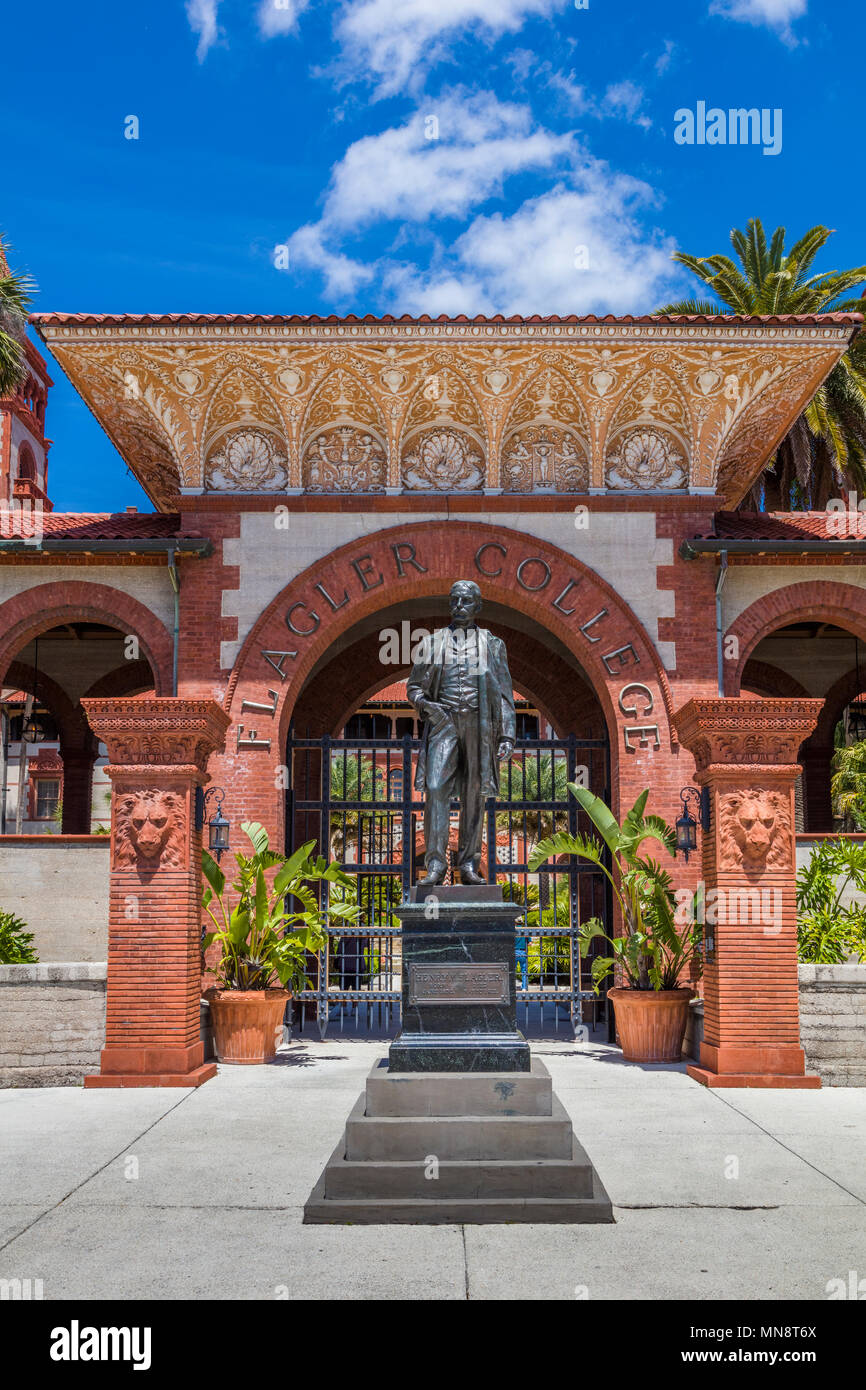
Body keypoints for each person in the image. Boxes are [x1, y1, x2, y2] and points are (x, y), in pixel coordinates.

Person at [407, 580, 515, 886]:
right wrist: (429, 707)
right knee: (435, 787)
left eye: (466, 601)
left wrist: (507, 735)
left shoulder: (493, 644)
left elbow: (505, 693)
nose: (459, 606)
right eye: (454, 600)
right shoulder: (432, 643)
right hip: (444, 723)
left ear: (478, 606)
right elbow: (413, 688)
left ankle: (468, 864)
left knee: (474, 795)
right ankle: (437, 864)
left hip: (480, 726)